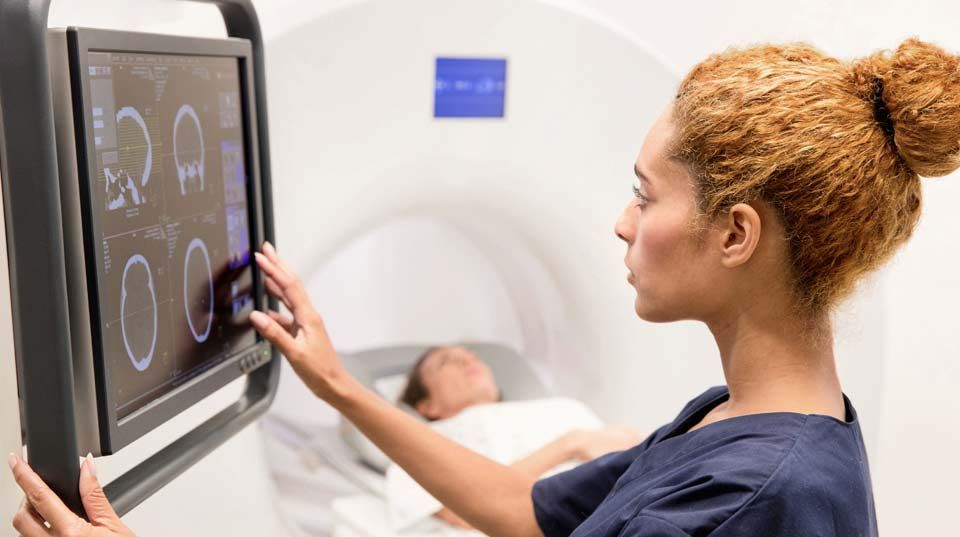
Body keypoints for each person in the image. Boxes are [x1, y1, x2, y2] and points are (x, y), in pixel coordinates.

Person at [10, 38, 960, 537]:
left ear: (736, 232)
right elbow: (518, 507)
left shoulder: (756, 499)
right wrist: (337, 383)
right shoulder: (739, 422)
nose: (623, 222)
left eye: (644, 194)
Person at [393, 345, 641, 529]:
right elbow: (463, 514)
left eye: (472, 357)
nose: (467, 360)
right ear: (426, 406)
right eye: (447, 362)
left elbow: (631, 459)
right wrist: (568, 445)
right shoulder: (416, 449)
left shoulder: (562, 407)